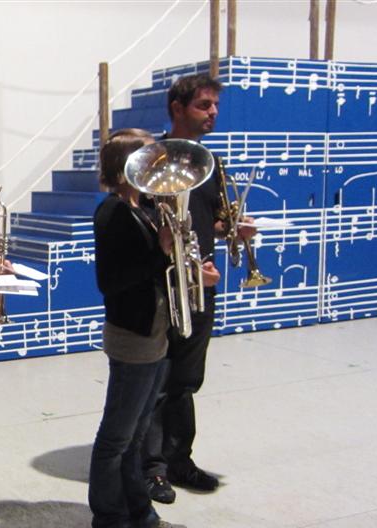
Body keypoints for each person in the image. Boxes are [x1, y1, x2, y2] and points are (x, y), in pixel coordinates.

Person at [89, 128, 209, 528]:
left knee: (137, 437)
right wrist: (161, 252)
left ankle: (140, 516)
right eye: (148, 159)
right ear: (126, 168)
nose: (158, 167)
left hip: (157, 333)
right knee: (115, 440)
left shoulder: (146, 208)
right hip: (132, 338)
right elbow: (111, 281)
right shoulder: (113, 212)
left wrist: (187, 262)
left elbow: (159, 266)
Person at [140, 74, 257, 505]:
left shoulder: (211, 163)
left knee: (186, 380)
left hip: (201, 284)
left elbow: (214, 220)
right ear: (177, 108)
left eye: (215, 106)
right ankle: (150, 468)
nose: (213, 113)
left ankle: (179, 459)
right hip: (161, 287)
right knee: (157, 379)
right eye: (203, 105)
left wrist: (233, 229)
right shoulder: (151, 160)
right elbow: (143, 226)